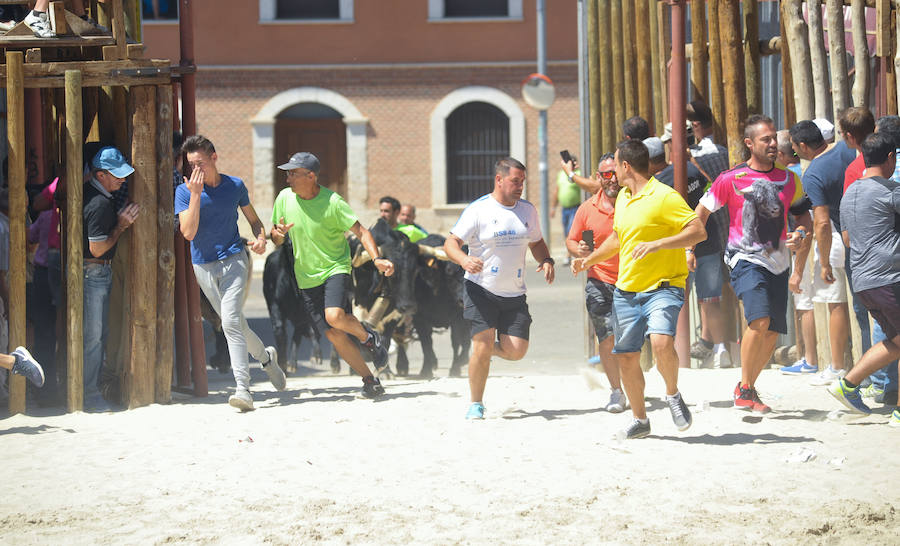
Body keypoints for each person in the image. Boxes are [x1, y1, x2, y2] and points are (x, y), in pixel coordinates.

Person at [573, 140, 707, 439]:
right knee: (627, 357)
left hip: (664, 286)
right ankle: (640, 420)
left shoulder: (664, 196)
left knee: (661, 342)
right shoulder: (623, 198)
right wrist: (588, 261)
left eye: (615, 166)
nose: (612, 174)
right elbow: (620, 239)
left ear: (625, 166)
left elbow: (698, 230)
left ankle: (672, 395)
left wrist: (659, 243)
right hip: (627, 291)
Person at [695, 115, 812, 413]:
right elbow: (702, 212)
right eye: (766, 139)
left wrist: (799, 234)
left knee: (772, 332)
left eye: (774, 138)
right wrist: (690, 247)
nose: (773, 144)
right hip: (744, 258)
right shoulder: (730, 179)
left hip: (779, 261)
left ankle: (746, 385)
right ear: (750, 143)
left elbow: (803, 218)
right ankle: (745, 389)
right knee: (758, 321)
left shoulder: (789, 179)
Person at [175, 136, 285, 412]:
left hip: (235, 259)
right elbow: (188, 232)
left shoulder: (235, 185)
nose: (195, 169)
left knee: (231, 323)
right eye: (190, 165)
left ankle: (243, 390)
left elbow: (255, 221)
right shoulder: (184, 192)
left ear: (214, 158)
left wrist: (260, 238)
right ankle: (267, 359)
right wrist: (197, 194)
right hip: (202, 266)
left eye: (200, 162)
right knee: (234, 323)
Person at [270, 152, 392, 399]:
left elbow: (363, 232)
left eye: (293, 173)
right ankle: (369, 380)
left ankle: (370, 337)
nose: (288, 178)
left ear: (311, 176)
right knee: (334, 335)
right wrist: (279, 234)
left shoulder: (333, 202)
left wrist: (377, 258)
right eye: (288, 173)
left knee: (334, 316)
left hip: (335, 267)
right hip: (306, 277)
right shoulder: (284, 198)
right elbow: (276, 237)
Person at [444, 158, 554, 420]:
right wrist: (464, 259)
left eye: (523, 182)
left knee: (516, 351)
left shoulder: (527, 210)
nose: (520, 187)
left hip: (514, 292)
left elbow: (536, 242)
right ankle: (476, 403)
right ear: (499, 179)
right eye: (515, 181)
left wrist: (546, 260)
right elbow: (450, 243)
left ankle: (481, 347)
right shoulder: (478, 210)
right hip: (480, 289)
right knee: (482, 346)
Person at [830, 132, 900, 427]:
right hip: (889, 278)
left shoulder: (848, 196)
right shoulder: (891, 191)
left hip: (861, 280)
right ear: (890, 158)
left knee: (895, 342)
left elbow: (847, 239)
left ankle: (847, 384)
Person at [647, 137, 731, 368]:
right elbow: (708, 191)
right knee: (711, 300)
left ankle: (670, 353)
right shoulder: (691, 168)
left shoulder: (659, 184)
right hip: (709, 241)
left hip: (682, 249)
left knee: (674, 302)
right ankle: (721, 349)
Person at [789, 115, 861, 385]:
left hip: (836, 236)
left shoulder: (814, 173)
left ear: (804, 146)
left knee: (836, 303)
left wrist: (824, 264)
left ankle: (838, 365)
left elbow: (819, 221)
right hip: (865, 230)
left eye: (795, 148)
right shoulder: (846, 148)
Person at [82, 146, 141, 411]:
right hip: (94, 271)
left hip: (93, 272)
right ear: (101, 174)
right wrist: (121, 226)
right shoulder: (100, 204)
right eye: (117, 175)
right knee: (94, 338)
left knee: (94, 335)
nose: (122, 179)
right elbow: (97, 249)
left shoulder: (92, 195)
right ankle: (89, 393)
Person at [568, 153, 626, 412]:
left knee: (630, 339)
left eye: (615, 173)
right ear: (598, 177)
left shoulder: (634, 202)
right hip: (599, 280)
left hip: (633, 281)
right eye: (606, 174)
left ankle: (632, 384)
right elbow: (572, 240)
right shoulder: (587, 209)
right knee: (606, 337)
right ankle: (616, 391)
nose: (611, 179)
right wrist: (579, 251)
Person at [552, 154, 582, 265]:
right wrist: (553, 207)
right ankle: (570, 252)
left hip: (575, 207)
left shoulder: (578, 174)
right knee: (566, 232)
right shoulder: (560, 174)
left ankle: (569, 255)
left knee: (571, 231)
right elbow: (557, 191)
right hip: (564, 208)